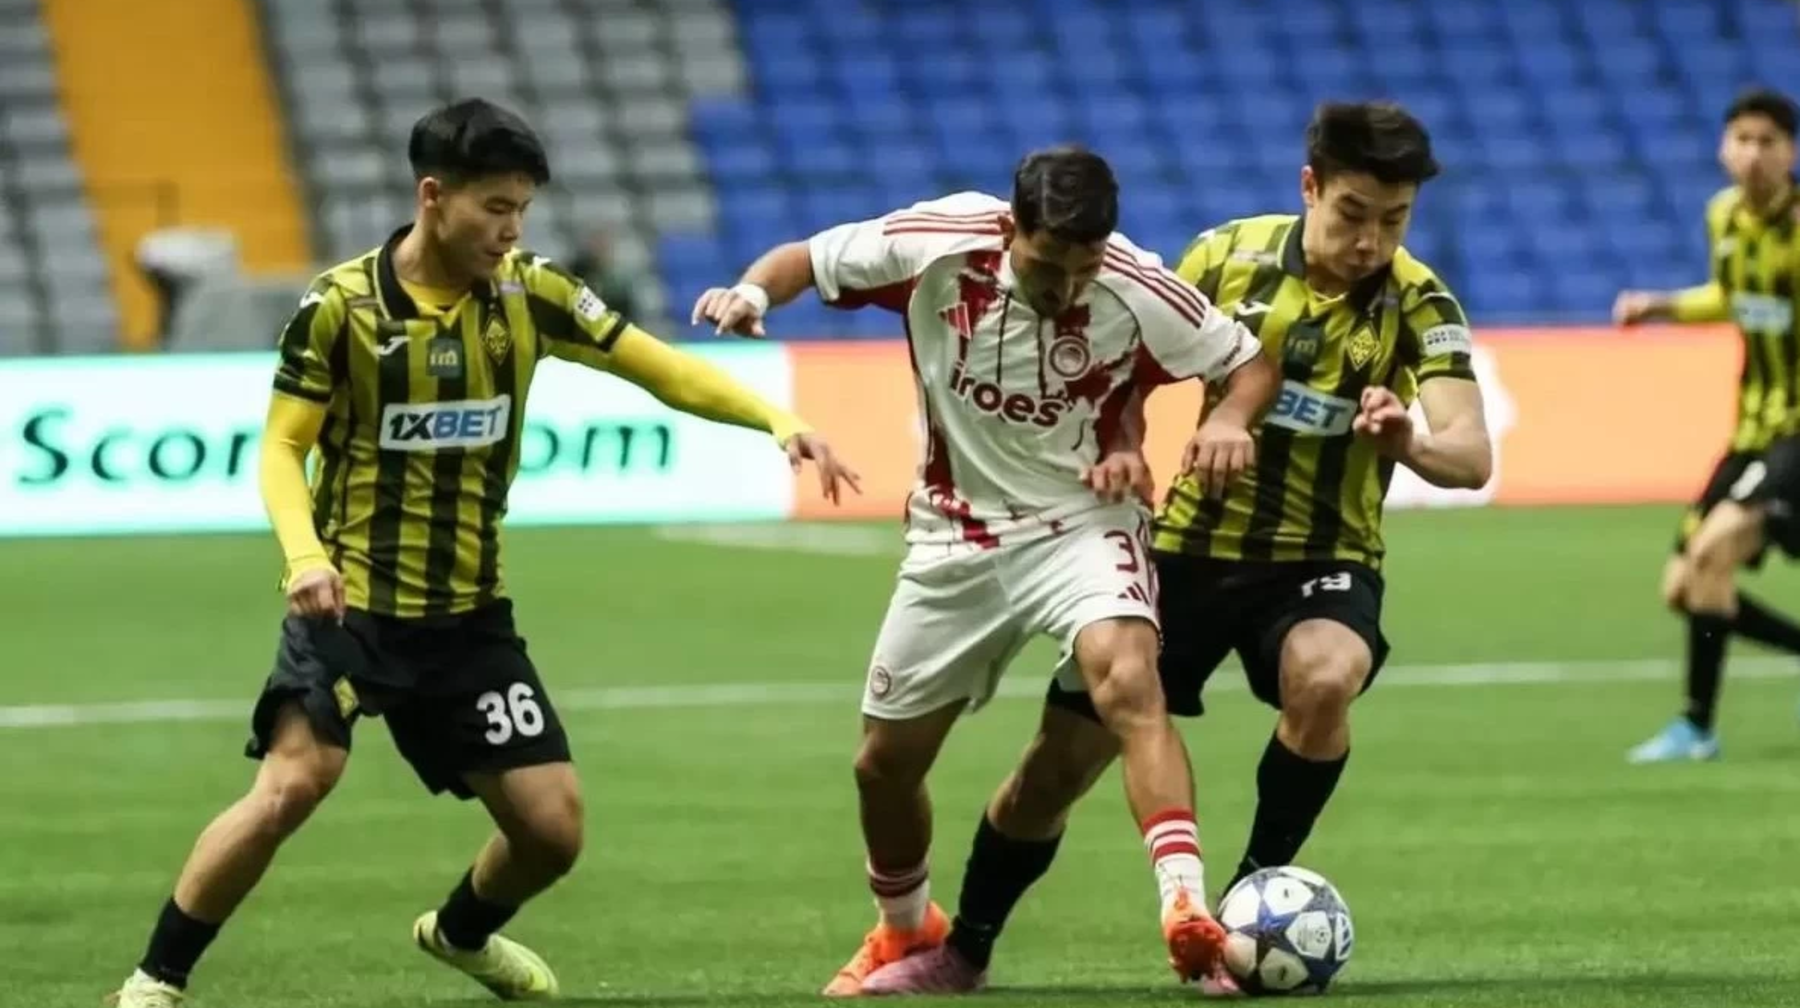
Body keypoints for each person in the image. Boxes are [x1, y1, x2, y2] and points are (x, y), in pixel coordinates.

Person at [110, 97, 857, 1008]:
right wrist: (304, 557)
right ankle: (154, 982)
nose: (512, 230)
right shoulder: (341, 307)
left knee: (553, 833)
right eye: (496, 208)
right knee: (293, 785)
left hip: (468, 618)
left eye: (523, 210)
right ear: (434, 197)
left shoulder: (529, 293)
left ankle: (459, 933)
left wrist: (776, 418)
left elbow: (656, 366)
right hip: (351, 606)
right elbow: (280, 447)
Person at [861, 101, 1492, 996]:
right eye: (1354, 213)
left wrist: (1409, 443)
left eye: (1394, 220)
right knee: (1054, 770)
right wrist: (1124, 447)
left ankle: (1239, 909)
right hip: (1187, 548)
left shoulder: (1421, 302)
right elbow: (1126, 375)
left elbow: (1471, 455)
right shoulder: (1222, 257)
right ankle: (965, 950)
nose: (1370, 241)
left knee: (1325, 677)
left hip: (1323, 557)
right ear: (1310, 187)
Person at [692, 145, 1276, 997]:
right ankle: (905, 928)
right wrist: (751, 293)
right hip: (954, 536)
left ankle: (1185, 907)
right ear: (1011, 230)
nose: (1066, 287)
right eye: (1048, 264)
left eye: (1083, 269)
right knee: (883, 765)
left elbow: (1248, 362)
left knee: (1128, 681)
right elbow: (804, 260)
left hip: (1081, 523)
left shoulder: (1139, 287)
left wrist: (1228, 419)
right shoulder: (938, 243)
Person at [1614, 86, 1800, 763]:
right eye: (1742, 140)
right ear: (1724, 149)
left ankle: (1696, 728)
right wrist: (1660, 306)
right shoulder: (1722, 216)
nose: (1753, 154)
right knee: (1686, 586)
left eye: (1768, 142)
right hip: (1750, 429)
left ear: (1790, 152)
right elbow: (1733, 296)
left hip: (1796, 434)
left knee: (1712, 553)